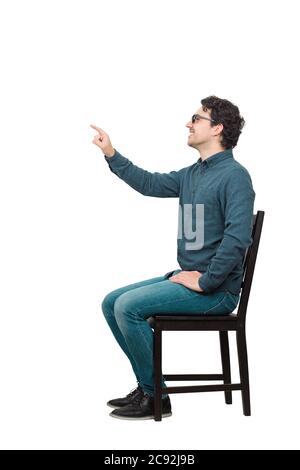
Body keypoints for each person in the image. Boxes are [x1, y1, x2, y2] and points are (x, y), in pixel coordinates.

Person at [90, 95, 255, 421]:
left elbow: (238, 239)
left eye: (197, 118)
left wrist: (206, 281)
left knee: (128, 307)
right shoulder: (193, 174)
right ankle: (149, 386)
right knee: (112, 302)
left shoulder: (235, 176)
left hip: (217, 290)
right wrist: (111, 153)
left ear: (217, 128)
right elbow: (150, 183)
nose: (188, 123)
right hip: (192, 276)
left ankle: (156, 396)